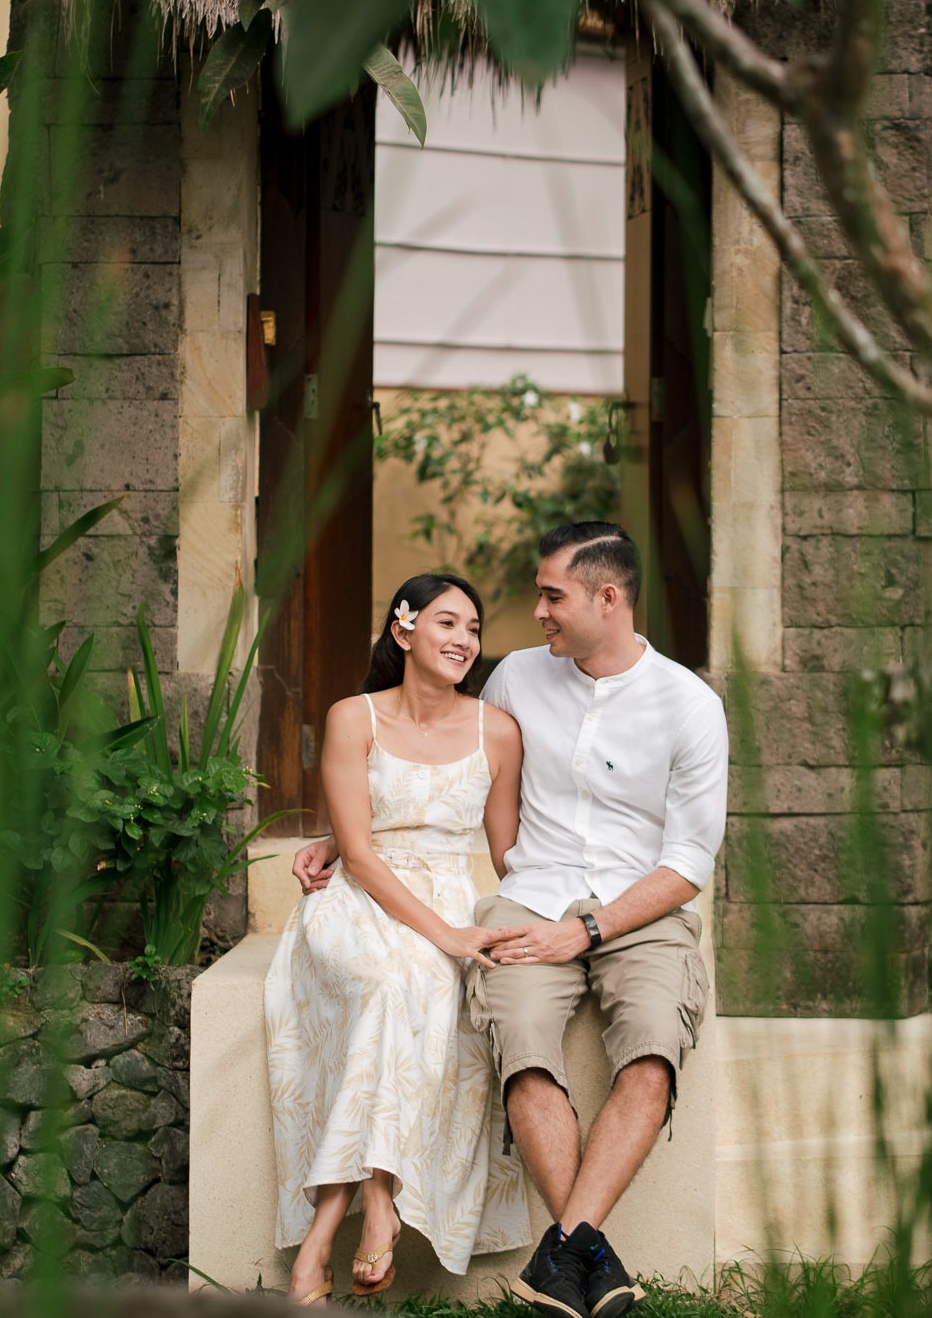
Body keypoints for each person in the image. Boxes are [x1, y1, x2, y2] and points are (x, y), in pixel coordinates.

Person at [296, 523, 726, 1318]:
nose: (538, 614)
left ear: (608, 596)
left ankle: (561, 1253)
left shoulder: (690, 705)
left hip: (642, 913)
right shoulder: (517, 681)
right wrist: (346, 835)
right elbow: (444, 775)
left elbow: (689, 863)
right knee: (522, 1043)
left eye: (552, 596)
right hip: (528, 901)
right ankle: (587, 1255)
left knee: (652, 1053)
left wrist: (589, 931)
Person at [264, 573, 536, 1305]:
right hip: (355, 900)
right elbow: (359, 851)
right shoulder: (354, 718)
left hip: (446, 892)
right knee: (391, 982)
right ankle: (380, 1202)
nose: (465, 640)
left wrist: (551, 918)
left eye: (475, 629)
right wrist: (446, 933)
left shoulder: (496, 730)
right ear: (403, 629)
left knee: (419, 980)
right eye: (448, 622)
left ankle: (324, 1238)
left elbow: (510, 854)